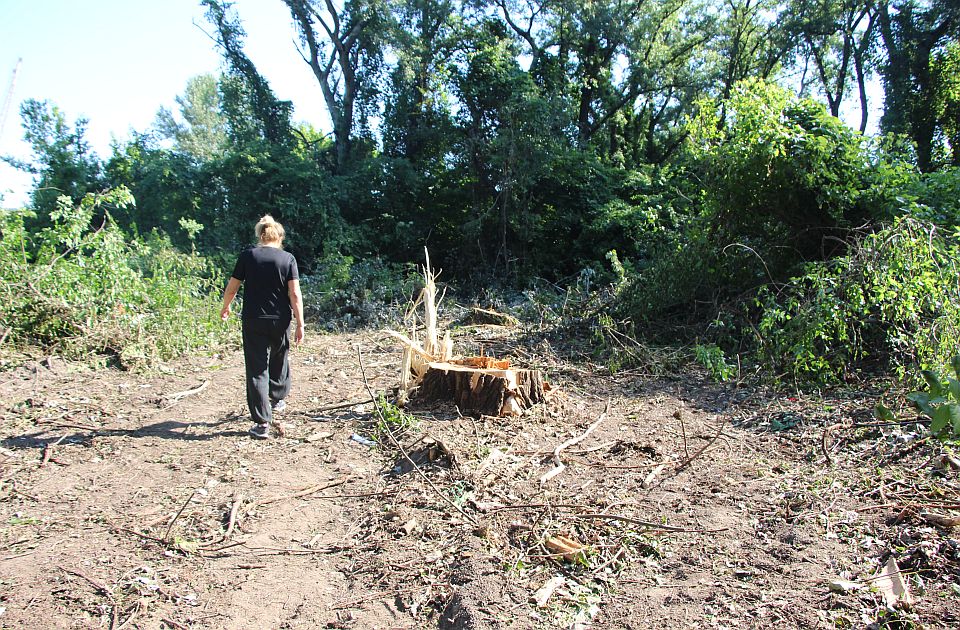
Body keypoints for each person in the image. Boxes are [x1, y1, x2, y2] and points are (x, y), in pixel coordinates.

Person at [220, 215, 305, 439]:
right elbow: (295, 294)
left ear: (261, 235)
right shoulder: (288, 259)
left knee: (257, 369)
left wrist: (226, 306)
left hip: (253, 319)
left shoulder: (248, 256)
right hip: (280, 320)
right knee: (279, 356)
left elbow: (232, 286)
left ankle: (261, 423)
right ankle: (277, 399)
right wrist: (300, 323)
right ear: (279, 237)